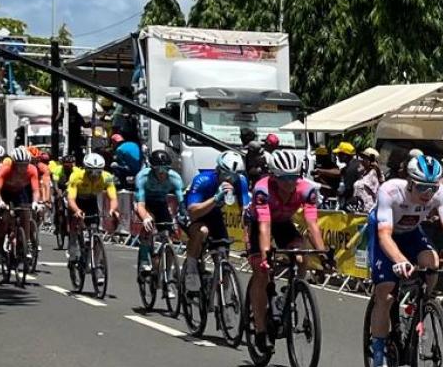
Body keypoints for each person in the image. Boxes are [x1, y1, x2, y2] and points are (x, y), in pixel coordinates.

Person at [367, 155, 443, 367]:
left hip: (411, 232)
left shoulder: (439, 193)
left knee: (432, 261)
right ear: (410, 182)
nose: (428, 193)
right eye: (423, 187)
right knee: (385, 293)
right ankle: (378, 358)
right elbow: (385, 235)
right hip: (385, 232)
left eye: (432, 187)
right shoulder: (391, 190)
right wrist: (401, 261)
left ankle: (419, 308)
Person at [247, 149, 328, 351]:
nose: (289, 184)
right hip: (258, 224)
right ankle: (260, 329)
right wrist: (266, 255)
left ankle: (291, 294)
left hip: (283, 223)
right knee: (261, 271)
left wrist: (323, 255)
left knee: (302, 259)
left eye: (293, 178)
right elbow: (264, 226)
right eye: (284, 179)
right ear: (274, 177)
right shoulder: (262, 189)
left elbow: (312, 225)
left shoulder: (306, 190)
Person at [183, 151, 250, 292]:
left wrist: (248, 238)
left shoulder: (240, 181)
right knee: (202, 231)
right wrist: (215, 199)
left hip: (214, 214)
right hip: (193, 212)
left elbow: (245, 211)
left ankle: (222, 295)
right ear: (218, 170)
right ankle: (191, 268)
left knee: (222, 250)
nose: (230, 179)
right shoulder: (203, 180)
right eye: (226, 175)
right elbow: (193, 212)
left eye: (234, 176)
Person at [134, 149, 186, 272]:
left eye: (166, 169)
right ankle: (144, 260)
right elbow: (140, 205)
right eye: (160, 170)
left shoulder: (175, 178)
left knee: (168, 235)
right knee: (148, 226)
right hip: (145, 203)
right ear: (152, 169)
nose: (163, 173)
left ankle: (168, 271)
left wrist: (183, 214)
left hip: (161, 203)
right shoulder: (143, 177)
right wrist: (145, 217)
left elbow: (181, 202)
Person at [65, 152, 119, 264]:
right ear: (85, 169)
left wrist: (113, 209)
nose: (94, 175)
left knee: (94, 229)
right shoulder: (76, 176)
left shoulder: (107, 177)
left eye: (98, 172)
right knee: (75, 220)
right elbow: (71, 199)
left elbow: (113, 197)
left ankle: (95, 260)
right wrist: (77, 210)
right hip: (77, 200)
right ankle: (73, 244)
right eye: (91, 172)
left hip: (91, 200)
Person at [0, 147, 41, 262]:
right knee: (5, 219)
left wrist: (35, 202)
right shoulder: (4, 169)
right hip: (4, 192)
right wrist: (0, 202)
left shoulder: (32, 170)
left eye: (25, 164)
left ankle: (25, 244)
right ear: (13, 163)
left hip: (19, 191)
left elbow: (35, 190)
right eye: (19, 165)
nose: (22, 168)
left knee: (26, 213)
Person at [349, 148, 383, 213]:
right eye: (362, 157)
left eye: (365, 158)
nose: (362, 160)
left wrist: (377, 169)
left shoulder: (374, 174)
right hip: (358, 209)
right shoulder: (362, 173)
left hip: (367, 210)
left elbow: (381, 185)